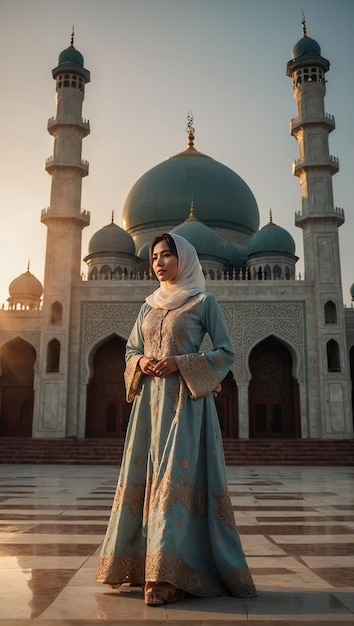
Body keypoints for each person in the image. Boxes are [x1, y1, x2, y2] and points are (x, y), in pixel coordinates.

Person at [96, 232, 256, 605]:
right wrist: (142, 362)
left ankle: (165, 579)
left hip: (185, 405)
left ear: (183, 259)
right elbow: (131, 349)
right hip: (149, 408)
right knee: (146, 482)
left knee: (173, 486)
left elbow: (225, 352)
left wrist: (180, 362)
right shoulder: (148, 307)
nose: (159, 262)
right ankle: (141, 567)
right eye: (154, 257)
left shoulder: (203, 302)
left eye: (167, 255)